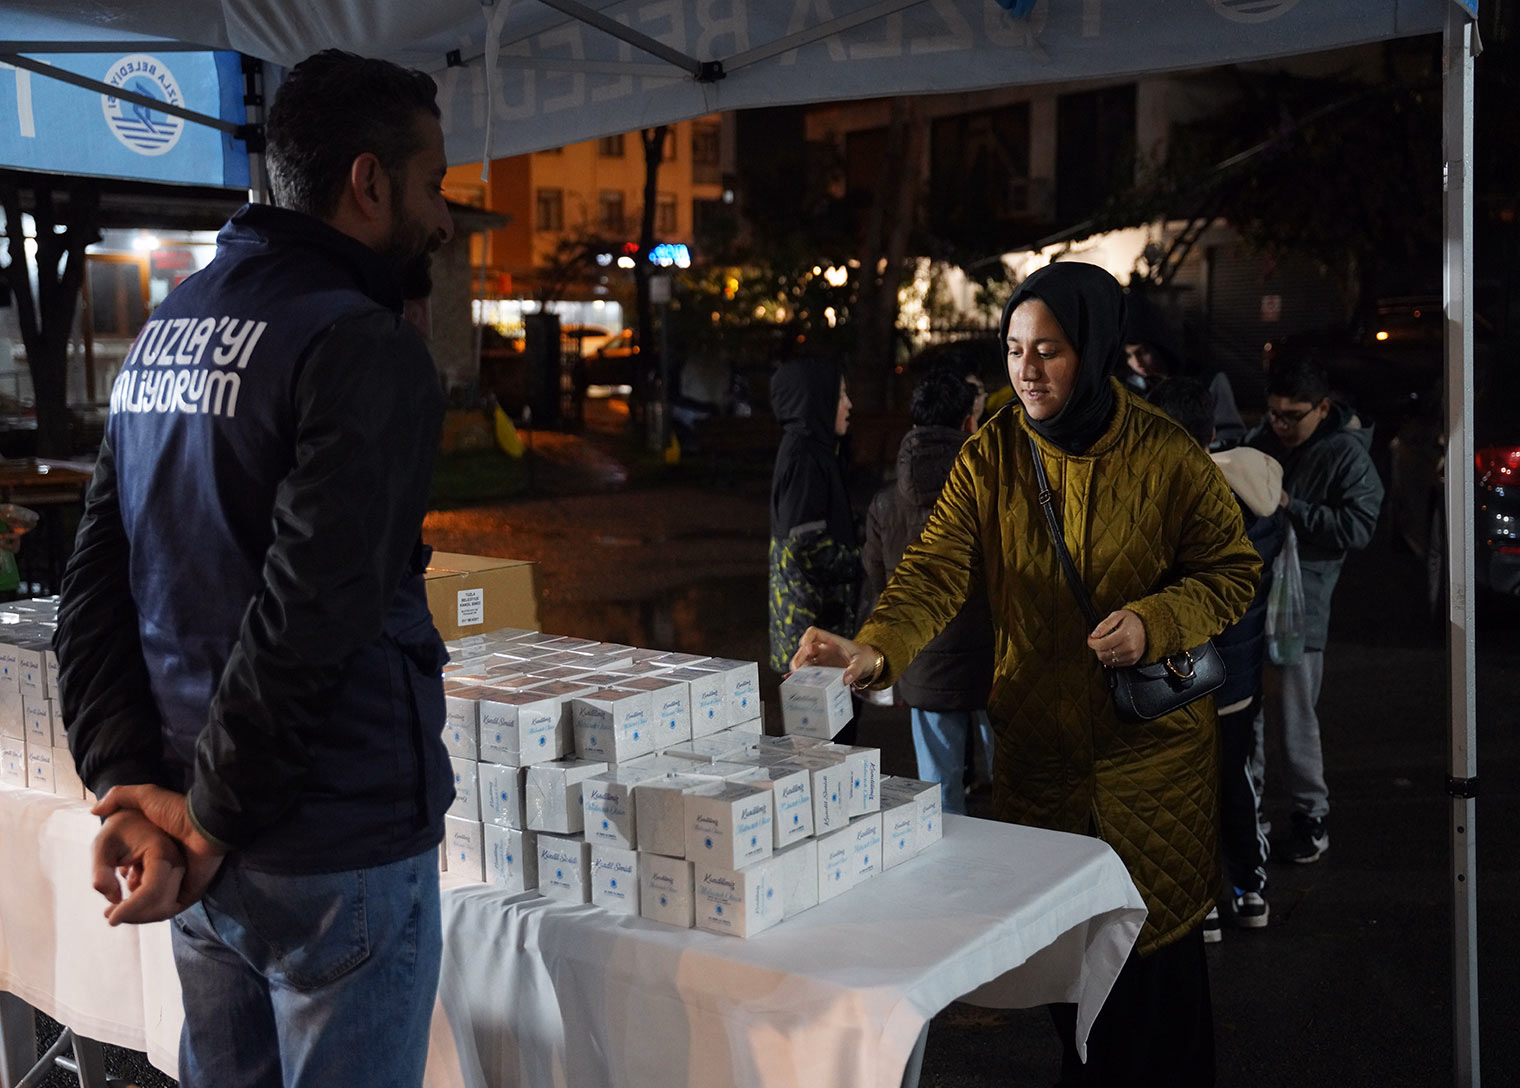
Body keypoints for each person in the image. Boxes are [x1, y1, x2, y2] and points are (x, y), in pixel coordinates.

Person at [53, 50, 455, 1088]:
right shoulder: (362, 344)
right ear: (368, 183)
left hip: (204, 840)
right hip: (330, 843)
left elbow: (93, 588)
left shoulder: (170, 324)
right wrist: (202, 817)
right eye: (433, 185)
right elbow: (310, 615)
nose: (445, 219)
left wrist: (134, 789)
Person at [794, 262, 1259, 1086]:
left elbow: (1231, 570)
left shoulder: (1164, 451)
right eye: (1014, 350)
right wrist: (874, 649)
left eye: (1049, 349)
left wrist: (1155, 622)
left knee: (1154, 984)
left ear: (1094, 349)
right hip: (1042, 761)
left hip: (1151, 766)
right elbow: (935, 569)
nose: (1028, 370)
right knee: (1069, 979)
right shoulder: (994, 454)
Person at [1148, 377, 1286, 939]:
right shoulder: (1260, 492)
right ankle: (1250, 889)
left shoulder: (1165, 500)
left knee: (1181, 789)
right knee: (1235, 781)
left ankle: (1200, 903)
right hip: (1238, 678)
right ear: (1210, 432)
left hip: (1178, 677)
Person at [1244, 354, 1383, 864]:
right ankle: (1251, 812)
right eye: (1274, 413)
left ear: (1322, 408)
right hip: (1253, 599)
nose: (1280, 425)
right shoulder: (1263, 438)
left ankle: (1311, 816)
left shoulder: (1346, 454)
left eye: (1292, 416)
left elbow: (1358, 527)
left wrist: (1291, 508)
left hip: (1303, 607)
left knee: (1294, 715)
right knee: (1248, 716)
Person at [860, 370, 994, 815]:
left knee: (940, 795)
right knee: (1016, 790)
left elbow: (880, 585)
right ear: (968, 422)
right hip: (993, 658)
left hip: (923, 661)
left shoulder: (884, 502)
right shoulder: (990, 487)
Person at [768, 356, 861, 744]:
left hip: (816, 633)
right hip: (813, 642)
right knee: (825, 753)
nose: (849, 405)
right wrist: (861, 559)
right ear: (816, 400)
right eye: (840, 395)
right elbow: (806, 544)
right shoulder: (806, 458)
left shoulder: (811, 451)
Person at [1122, 291, 1246, 448]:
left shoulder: (1209, 379)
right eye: (1128, 355)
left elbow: (1231, 434)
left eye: (1143, 352)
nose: (1136, 362)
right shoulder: (1130, 387)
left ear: (1160, 346)